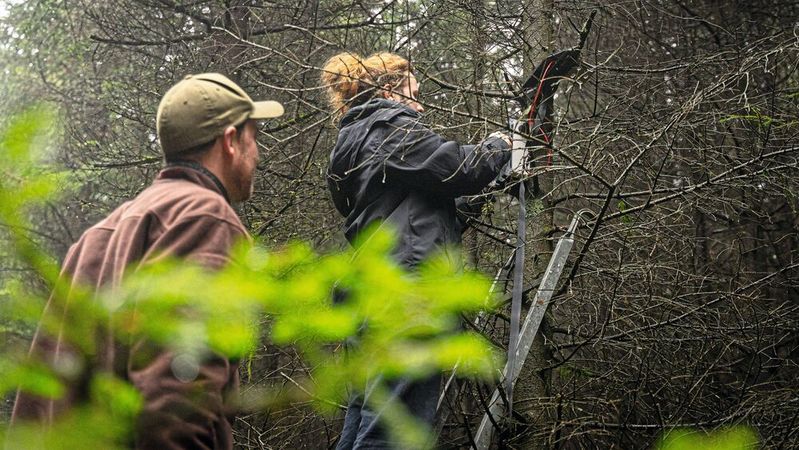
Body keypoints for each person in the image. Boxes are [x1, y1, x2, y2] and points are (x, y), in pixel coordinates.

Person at [10, 73, 283, 449]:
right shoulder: (204, 217)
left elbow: (40, 398)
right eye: (254, 138)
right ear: (230, 142)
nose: (259, 153)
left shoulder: (99, 234)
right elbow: (178, 397)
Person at [321, 52, 512, 449]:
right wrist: (500, 144)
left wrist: (479, 198)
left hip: (371, 295)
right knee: (392, 431)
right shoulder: (388, 130)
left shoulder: (357, 145)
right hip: (408, 294)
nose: (421, 105)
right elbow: (462, 166)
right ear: (389, 90)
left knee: (366, 419)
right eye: (414, 93)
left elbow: (411, 214)